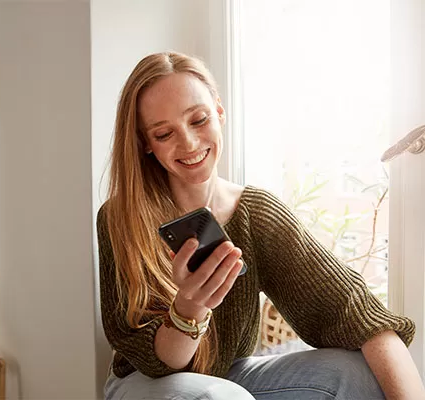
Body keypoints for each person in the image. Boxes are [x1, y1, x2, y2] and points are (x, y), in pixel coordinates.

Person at [97, 51, 425, 400]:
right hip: (144, 384)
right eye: (164, 134)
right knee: (220, 398)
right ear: (146, 143)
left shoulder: (254, 212)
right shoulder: (121, 219)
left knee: (358, 373)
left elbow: (359, 315)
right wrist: (189, 309)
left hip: (228, 375)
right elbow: (158, 364)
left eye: (199, 119)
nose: (189, 143)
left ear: (219, 112)